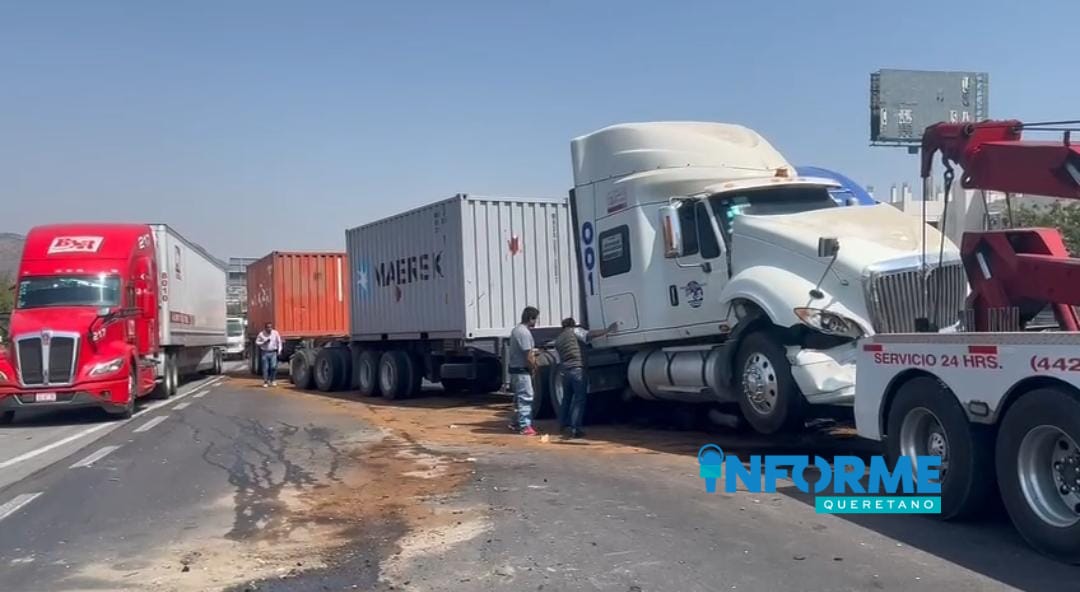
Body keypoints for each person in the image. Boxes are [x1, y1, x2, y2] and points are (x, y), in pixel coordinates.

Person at [554, 317, 617, 439]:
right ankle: (575, 428)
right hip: (577, 370)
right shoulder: (575, 331)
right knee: (579, 399)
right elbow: (589, 335)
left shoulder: (558, 340)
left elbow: (558, 360)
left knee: (566, 399)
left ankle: (562, 424)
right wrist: (607, 330)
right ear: (572, 325)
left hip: (565, 372)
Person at [507, 306, 540, 435]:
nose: (535, 322)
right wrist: (534, 367)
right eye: (535, 319)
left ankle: (516, 422)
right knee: (526, 397)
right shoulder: (524, 333)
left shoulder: (516, 330)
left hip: (515, 369)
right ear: (531, 318)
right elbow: (528, 355)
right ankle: (525, 426)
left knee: (518, 398)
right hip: (522, 371)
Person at [255, 322, 283, 387]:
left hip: (273, 352)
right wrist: (263, 342)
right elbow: (257, 342)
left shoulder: (275, 333)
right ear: (265, 328)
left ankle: (273, 380)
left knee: (273, 367)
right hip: (265, 352)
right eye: (268, 327)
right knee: (265, 368)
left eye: (270, 327)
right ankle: (265, 381)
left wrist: (279, 351)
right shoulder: (261, 334)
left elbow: (279, 342)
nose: (269, 329)